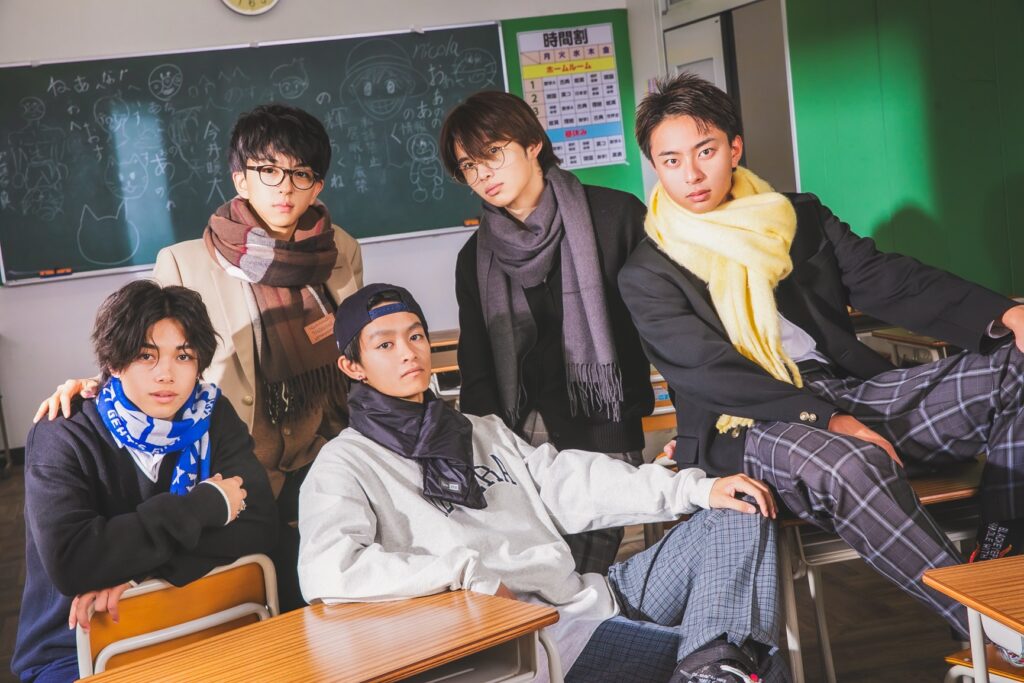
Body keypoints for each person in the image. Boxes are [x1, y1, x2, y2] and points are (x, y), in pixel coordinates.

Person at [618, 72, 1024, 647]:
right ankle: (997, 629)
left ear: (734, 147)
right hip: (750, 422)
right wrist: (830, 420)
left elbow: (889, 281)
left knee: (1017, 363)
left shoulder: (796, 217)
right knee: (849, 463)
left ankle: (1002, 548)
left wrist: (1004, 313)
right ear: (656, 168)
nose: (692, 174)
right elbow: (711, 373)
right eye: (671, 160)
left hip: (847, 390)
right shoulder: (647, 272)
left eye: (705, 151)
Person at [297, 283, 789, 683]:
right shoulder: (345, 463)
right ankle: (715, 667)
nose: (409, 353)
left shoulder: (481, 431)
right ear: (352, 366)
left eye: (416, 336)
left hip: (587, 598)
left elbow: (572, 483)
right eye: (385, 344)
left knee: (739, 510)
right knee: (749, 662)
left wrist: (694, 489)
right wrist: (464, 571)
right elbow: (326, 569)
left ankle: (712, 668)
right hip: (539, 642)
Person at [35, 103, 363, 610]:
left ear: (317, 185)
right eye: (269, 170)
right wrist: (93, 384)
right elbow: (150, 344)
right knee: (267, 598)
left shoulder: (340, 250)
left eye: (301, 174)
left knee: (336, 604)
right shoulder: (185, 262)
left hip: (320, 459)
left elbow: (353, 349)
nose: (285, 187)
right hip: (237, 463)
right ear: (241, 179)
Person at [12, 281, 277, 683]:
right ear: (114, 363)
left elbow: (260, 525)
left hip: (202, 616)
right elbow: (75, 562)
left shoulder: (212, 413)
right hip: (77, 643)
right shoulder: (62, 432)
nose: (166, 374)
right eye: (145, 355)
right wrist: (205, 505)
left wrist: (140, 574)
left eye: (183, 356)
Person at [440, 91, 654, 575]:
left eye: (493, 153)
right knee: (529, 574)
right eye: (468, 166)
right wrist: (486, 463)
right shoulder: (475, 257)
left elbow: (664, 329)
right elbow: (477, 370)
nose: (483, 174)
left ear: (533, 143)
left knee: (575, 574)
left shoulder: (615, 217)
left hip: (604, 426)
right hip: (521, 441)